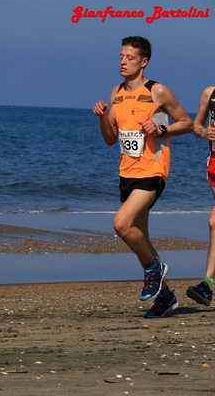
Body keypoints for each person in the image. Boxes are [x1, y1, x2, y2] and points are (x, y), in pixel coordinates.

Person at [92, 36, 192, 318]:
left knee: (121, 224)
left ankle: (155, 269)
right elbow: (111, 139)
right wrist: (102, 117)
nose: (123, 61)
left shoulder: (157, 91)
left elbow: (186, 122)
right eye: (121, 56)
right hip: (127, 173)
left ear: (143, 61)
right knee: (141, 241)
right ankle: (166, 297)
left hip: (153, 171)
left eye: (129, 57)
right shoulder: (117, 93)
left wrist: (161, 130)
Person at [186, 85, 215, 306]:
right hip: (214, 163)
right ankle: (207, 286)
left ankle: (207, 285)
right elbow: (195, 125)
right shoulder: (209, 93)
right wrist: (205, 132)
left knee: (214, 221)